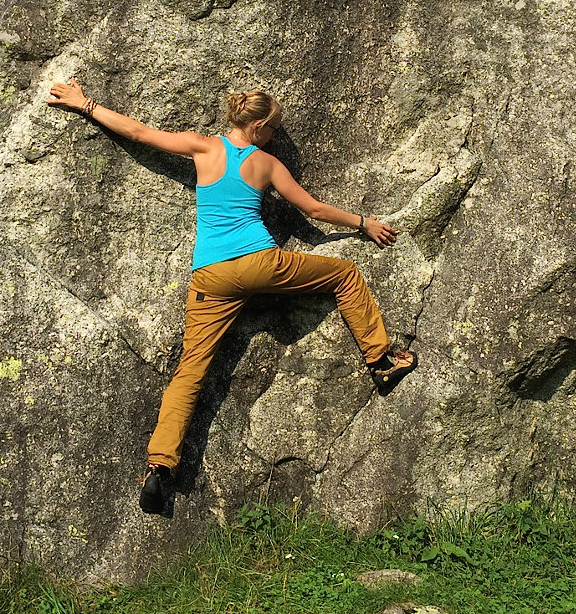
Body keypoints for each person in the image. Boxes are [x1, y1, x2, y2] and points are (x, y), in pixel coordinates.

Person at [46, 79, 417, 515]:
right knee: (346, 275)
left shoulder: (202, 148)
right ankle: (381, 361)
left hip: (210, 277)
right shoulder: (266, 163)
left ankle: (160, 465)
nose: (275, 136)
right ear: (258, 127)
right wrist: (363, 223)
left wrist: (84, 103)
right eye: (273, 129)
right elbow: (313, 210)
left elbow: (140, 133)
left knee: (190, 371)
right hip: (262, 264)